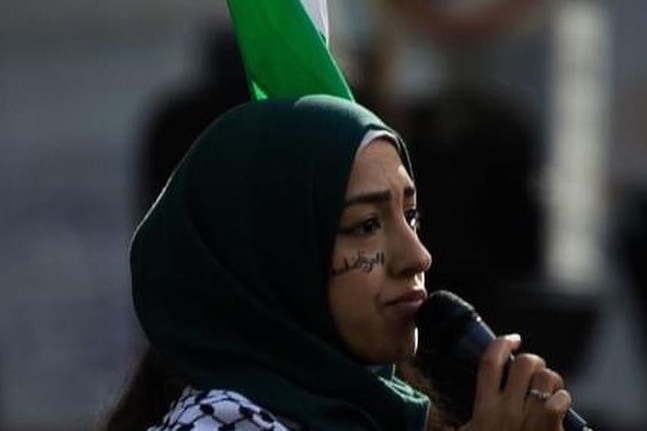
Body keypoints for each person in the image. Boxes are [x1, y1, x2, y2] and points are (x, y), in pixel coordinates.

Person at [102, 95, 573, 431]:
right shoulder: (219, 422)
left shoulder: (388, 414)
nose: (417, 256)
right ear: (279, 260)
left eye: (410, 216)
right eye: (365, 225)